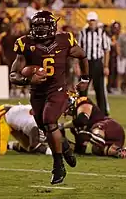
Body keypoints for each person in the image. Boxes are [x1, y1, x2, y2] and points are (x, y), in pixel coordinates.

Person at [9, 10, 89, 184]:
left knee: (49, 120)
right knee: (44, 127)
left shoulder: (64, 40)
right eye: (37, 26)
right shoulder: (25, 43)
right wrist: (28, 79)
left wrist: (85, 78)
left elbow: (82, 56)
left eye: (44, 26)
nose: (40, 29)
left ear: (52, 26)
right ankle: (65, 145)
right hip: (37, 93)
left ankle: (58, 165)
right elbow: (13, 75)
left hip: (58, 89)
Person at [61, 91, 126, 158]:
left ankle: (95, 137)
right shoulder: (74, 126)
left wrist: (62, 126)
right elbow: (80, 149)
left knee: (96, 129)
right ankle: (123, 151)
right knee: (96, 150)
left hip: (110, 127)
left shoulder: (82, 102)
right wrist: (63, 143)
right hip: (110, 139)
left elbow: (82, 119)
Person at [78, 11, 110, 116]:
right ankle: (80, 111)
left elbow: (106, 50)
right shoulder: (82, 33)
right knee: (83, 90)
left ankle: (103, 113)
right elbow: (79, 50)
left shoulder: (102, 33)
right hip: (86, 63)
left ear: (96, 21)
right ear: (87, 21)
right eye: (90, 20)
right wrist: (77, 65)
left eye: (93, 20)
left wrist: (106, 66)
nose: (92, 23)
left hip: (97, 63)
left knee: (100, 90)